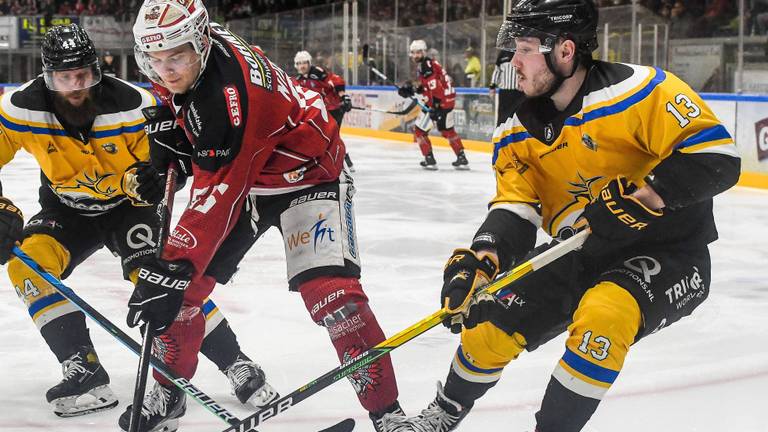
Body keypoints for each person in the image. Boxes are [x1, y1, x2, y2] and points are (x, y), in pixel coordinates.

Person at [387, 0, 741, 431]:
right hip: (583, 250)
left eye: (525, 48)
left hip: (670, 252)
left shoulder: (641, 91)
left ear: (565, 51)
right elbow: (515, 211)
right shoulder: (515, 132)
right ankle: (442, 415)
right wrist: (483, 258)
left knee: (604, 315)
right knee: (489, 325)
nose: (513, 61)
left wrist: (646, 197)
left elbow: (718, 158)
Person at [129, 1, 403, 431]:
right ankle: (168, 395)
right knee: (182, 295)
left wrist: (170, 266)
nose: (165, 70)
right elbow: (181, 101)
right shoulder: (198, 48)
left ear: (199, 42)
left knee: (336, 299)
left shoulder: (228, 99)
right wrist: (173, 135)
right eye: (155, 59)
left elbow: (215, 199)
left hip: (311, 175)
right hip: (255, 167)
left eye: (176, 56)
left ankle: (389, 416)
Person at [0, 24, 277, 418]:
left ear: (97, 70)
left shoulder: (134, 104)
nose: (76, 85)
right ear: (47, 77)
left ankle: (235, 362)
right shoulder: (20, 107)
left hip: (127, 208)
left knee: (160, 282)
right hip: (65, 211)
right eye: (64, 77)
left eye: (84, 74)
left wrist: (146, 180)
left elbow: (164, 168)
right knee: (27, 267)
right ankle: (84, 369)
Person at [397, 40, 468, 170]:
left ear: (424, 52)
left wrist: (435, 107)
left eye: (418, 52)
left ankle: (429, 158)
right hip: (446, 100)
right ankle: (461, 156)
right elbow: (429, 86)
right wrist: (413, 90)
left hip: (439, 101)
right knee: (447, 130)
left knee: (419, 131)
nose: (416, 55)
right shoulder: (429, 63)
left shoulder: (426, 65)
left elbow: (435, 87)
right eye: (413, 53)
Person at [294, 50, 355, 171]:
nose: (302, 66)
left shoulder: (318, 73)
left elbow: (335, 80)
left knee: (330, 136)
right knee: (325, 137)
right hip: (321, 112)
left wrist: (344, 97)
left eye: (304, 63)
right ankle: (340, 159)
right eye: (299, 63)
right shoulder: (299, 80)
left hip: (334, 109)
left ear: (309, 63)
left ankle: (342, 160)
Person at [489, 49, 525, 126]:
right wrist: (492, 86)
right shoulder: (502, 54)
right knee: (503, 117)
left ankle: (517, 137)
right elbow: (497, 71)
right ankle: (501, 136)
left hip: (519, 92)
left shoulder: (521, 52)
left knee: (518, 117)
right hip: (505, 92)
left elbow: (527, 70)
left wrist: (525, 83)